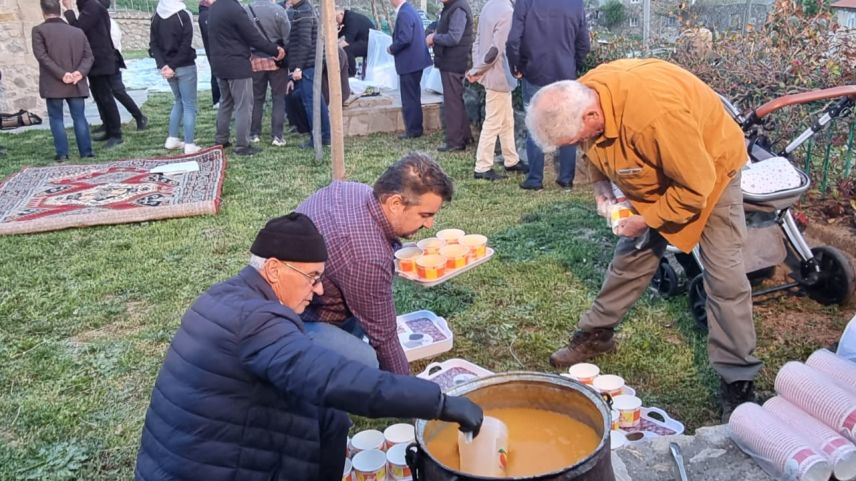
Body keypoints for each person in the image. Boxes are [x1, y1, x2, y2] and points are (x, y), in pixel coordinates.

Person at [134, 213, 482, 481]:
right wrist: (439, 403)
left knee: (330, 417)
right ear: (272, 269)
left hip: (188, 456)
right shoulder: (255, 322)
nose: (317, 290)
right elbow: (337, 379)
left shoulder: (228, 297)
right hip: (202, 470)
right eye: (312, 277)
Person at [524, 58, 762, 422]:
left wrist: (647, 219)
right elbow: (595, 148)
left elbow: (695, 187)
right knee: (632, 254)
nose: (579, 146)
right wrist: (602, 187)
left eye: (575, 140)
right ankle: (597, 333)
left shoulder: (655, 116)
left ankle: (738, 377)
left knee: (724, 275)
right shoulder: (584, 95)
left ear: (589, 117)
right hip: (655, 163)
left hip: (709, 172)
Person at [296, 152, 453, 374]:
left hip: (290, 300)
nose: (429, 224)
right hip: (296, 322)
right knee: (366, 361)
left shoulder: (354, 191)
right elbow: (385, 339)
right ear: (395, 203)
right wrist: (410, 395)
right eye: (424, 215)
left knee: (371, 312)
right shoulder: (367, 257)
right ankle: (309, 374)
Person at [506, 0, 589, 190]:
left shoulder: (525, 2)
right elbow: (583, 43)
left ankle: (535, 179)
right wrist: (573, 65)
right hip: (565, 73)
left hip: (535, 71)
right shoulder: (575, 3)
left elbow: (513, 40)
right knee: (568, 124)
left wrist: (517, 66)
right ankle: (566, 178)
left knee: (535, 125)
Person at [208, 0, 285, 156]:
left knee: (226, 102)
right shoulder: (235, 9)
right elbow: (253, 36)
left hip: (219, 63)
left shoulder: (214, 8)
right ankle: (242, 145)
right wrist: (274, 50)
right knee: (244, 105)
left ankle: (221, 139)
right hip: (236, 64)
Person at [466, 0, 528, 181]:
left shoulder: (488, 6)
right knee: (493, 122)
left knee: (506, 120)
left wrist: (478, 68)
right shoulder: (507, 11)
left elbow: (477, 42)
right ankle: (482, 166)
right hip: (499, 76)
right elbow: (497, 49)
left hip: (491, 74)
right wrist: (479, 70)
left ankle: (511, 159)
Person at [32, 0, 94, 162]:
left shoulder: (39, 31)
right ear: (60, 10)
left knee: (56, 118)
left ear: (43, 11)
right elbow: (89, 56)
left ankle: (62, 153)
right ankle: (86, 151)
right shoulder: (77, 31)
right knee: (79, 117)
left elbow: (42, 57)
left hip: (54, 82)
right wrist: (79, 73)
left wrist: (62, 74)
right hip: (75, 82)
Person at [62, 0, 124, 148]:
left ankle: (116, 134)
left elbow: (78, 29)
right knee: (99, 96)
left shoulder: (93, 6)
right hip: (94, 59)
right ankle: (108, 129)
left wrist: (68, 9)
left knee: (106, 97)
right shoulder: (88, 6)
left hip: (102, 59)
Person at [150, 0, 200, 154]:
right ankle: (189, 143)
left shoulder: (156, 16)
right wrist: (171, 66)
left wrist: (163, 65)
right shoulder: (184, 15)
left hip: (167, 68)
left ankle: (172, 138)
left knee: (178, 101)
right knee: (189, 104)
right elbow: (187, 43)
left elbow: (154, 44)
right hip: (184, 66)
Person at [427, 0, 474, 152]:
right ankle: (465, 136)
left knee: (452, 103)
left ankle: (455, 142)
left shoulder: (458, 8)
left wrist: (435, 38)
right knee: (457, 101)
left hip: (454, 62)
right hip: (452, 62)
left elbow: (454, 37)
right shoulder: (452, 7)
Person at [97, 0, 148, 132]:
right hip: (101, 63)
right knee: (99, 93)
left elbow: (113, 45)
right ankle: (107, 122)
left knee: (118, 91)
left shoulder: (109, 23)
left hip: (111, 61)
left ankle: (139, 116)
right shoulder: (99, 22)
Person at [245, 0, 290, 147]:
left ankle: (254, 133)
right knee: (278, 98)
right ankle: (277, 136)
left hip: (255, 59)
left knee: (257, 98)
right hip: (277, 58)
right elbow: (287, 36)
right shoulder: (279, 10)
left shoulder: (247, 9)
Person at [286, 0, 331, 148]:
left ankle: (320, 137)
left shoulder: (304, 11)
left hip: (307, 65)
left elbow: (305, 42)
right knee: (315, 101)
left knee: (312, 103)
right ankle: (323, 135)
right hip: (307, 64)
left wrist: (298, 67)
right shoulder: (301, 10)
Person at [388, 0, 432, 140]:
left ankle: (413, 130)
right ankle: (415, 128)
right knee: (413, 95)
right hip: (415, 61)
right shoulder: (410, 10)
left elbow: (405, 38)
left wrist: (392, 48)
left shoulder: (404, 13)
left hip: (409, 62)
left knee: (409, 98)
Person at [336, 7, 374, 78]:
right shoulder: (345, 20)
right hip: (362, 41)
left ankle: (351, 73)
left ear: (341, 14)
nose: (335, 20)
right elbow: (340, 37)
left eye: (335, 17)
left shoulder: (351, 19)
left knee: (347, 49)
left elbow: (347, 40)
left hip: (370, 43)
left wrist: (333, 49)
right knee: (342, 48)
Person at [198, 0, 220, 108]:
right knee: (215, 73)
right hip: (214, 50)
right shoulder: (205, 15)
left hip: (215, 50)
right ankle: (217, 99)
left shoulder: (208, 13)